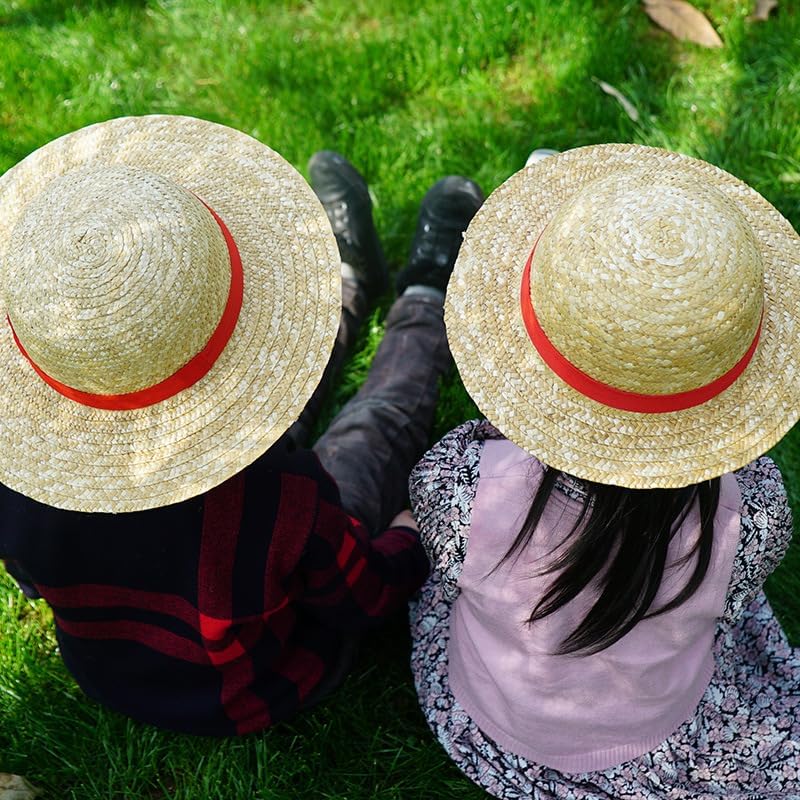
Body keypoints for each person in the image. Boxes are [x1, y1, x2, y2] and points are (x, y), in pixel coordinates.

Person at [0, 114, 483, 735]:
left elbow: (38, 583)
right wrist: (411, 539)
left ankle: (353, 283)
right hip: (258, 680)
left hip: (116, 677)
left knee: (311, 414)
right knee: (371, 427)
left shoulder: (19, 477)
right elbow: (360, 598)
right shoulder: (280, 495)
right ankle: (421, 298)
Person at [408, 144, 800, 798]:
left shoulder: (464, 480)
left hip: (490, 724)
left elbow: (441, 558)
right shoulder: (754, 513)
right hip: (651, 731)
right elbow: (732, 603)